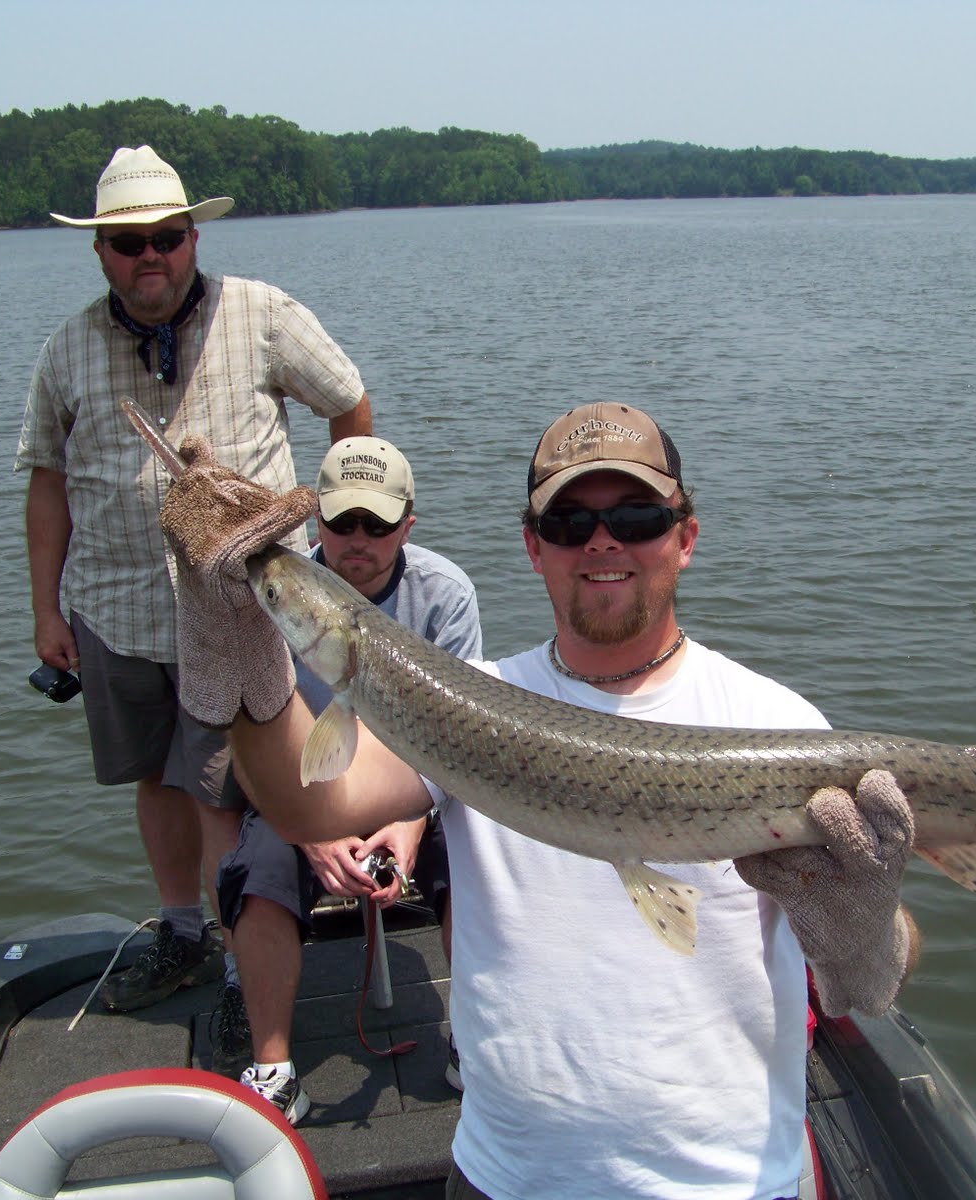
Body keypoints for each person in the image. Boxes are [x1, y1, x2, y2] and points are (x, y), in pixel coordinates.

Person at [159, 402, 914, 1200]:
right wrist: (240, 646)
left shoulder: (778, 725)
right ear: (533, 547)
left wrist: (865, 934)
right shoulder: (466, 699)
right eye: (568, 523)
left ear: (685, 537)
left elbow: (879, 974)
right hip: (505, 1175)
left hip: (729, 1184)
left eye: (637, 517)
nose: (602, 542)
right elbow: (307, 807)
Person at [15, 144, 372, 1014]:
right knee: (158, 779)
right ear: (100, 251)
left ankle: (247, 972)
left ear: (193, 240)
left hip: (248, 614)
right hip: (117, 610)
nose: (151, 256)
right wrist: (46, 611)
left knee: (242, 791)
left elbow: (348, 404)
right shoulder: (67, 350)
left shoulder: (263, 315)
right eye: (129, 242)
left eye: (168, 238)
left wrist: (338, 537)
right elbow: (47, 481)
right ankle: (182, 932)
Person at [213, 436, 482, 1122]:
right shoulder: (274, 598)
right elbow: (250, 745)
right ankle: (273, 1069)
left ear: (407, 526)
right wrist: (308, 833)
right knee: (258, 869)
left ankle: (476, 1042)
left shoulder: (446, 594)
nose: (358, 539)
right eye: (341, 521)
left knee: (481, 854)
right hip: (302, 793)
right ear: (317, 520)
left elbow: (462, 743)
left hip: (420, 784)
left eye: (378, 524)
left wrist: (412, 821)